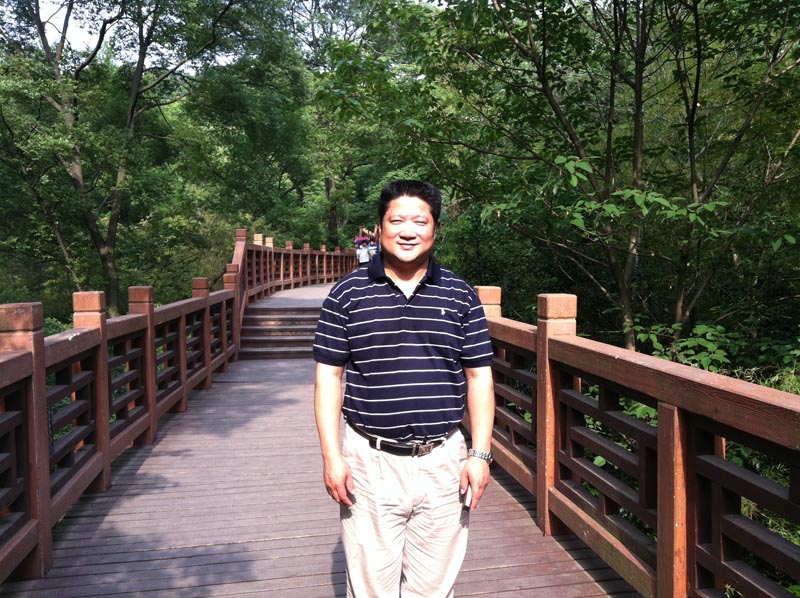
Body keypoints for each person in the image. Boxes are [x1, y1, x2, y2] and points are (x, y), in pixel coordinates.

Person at [313, 179, 496, 597]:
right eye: (397, 221)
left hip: (444, 461)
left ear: (435, 228)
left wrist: (480, 454)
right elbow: (328, 377)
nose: (408, 231)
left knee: (433, 589)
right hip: (369, 461)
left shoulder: (460, 295)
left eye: (420, 221)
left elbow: (479, 377)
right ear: (379, 228)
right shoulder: (347, 294)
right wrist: (331, 456)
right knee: (371, 589)